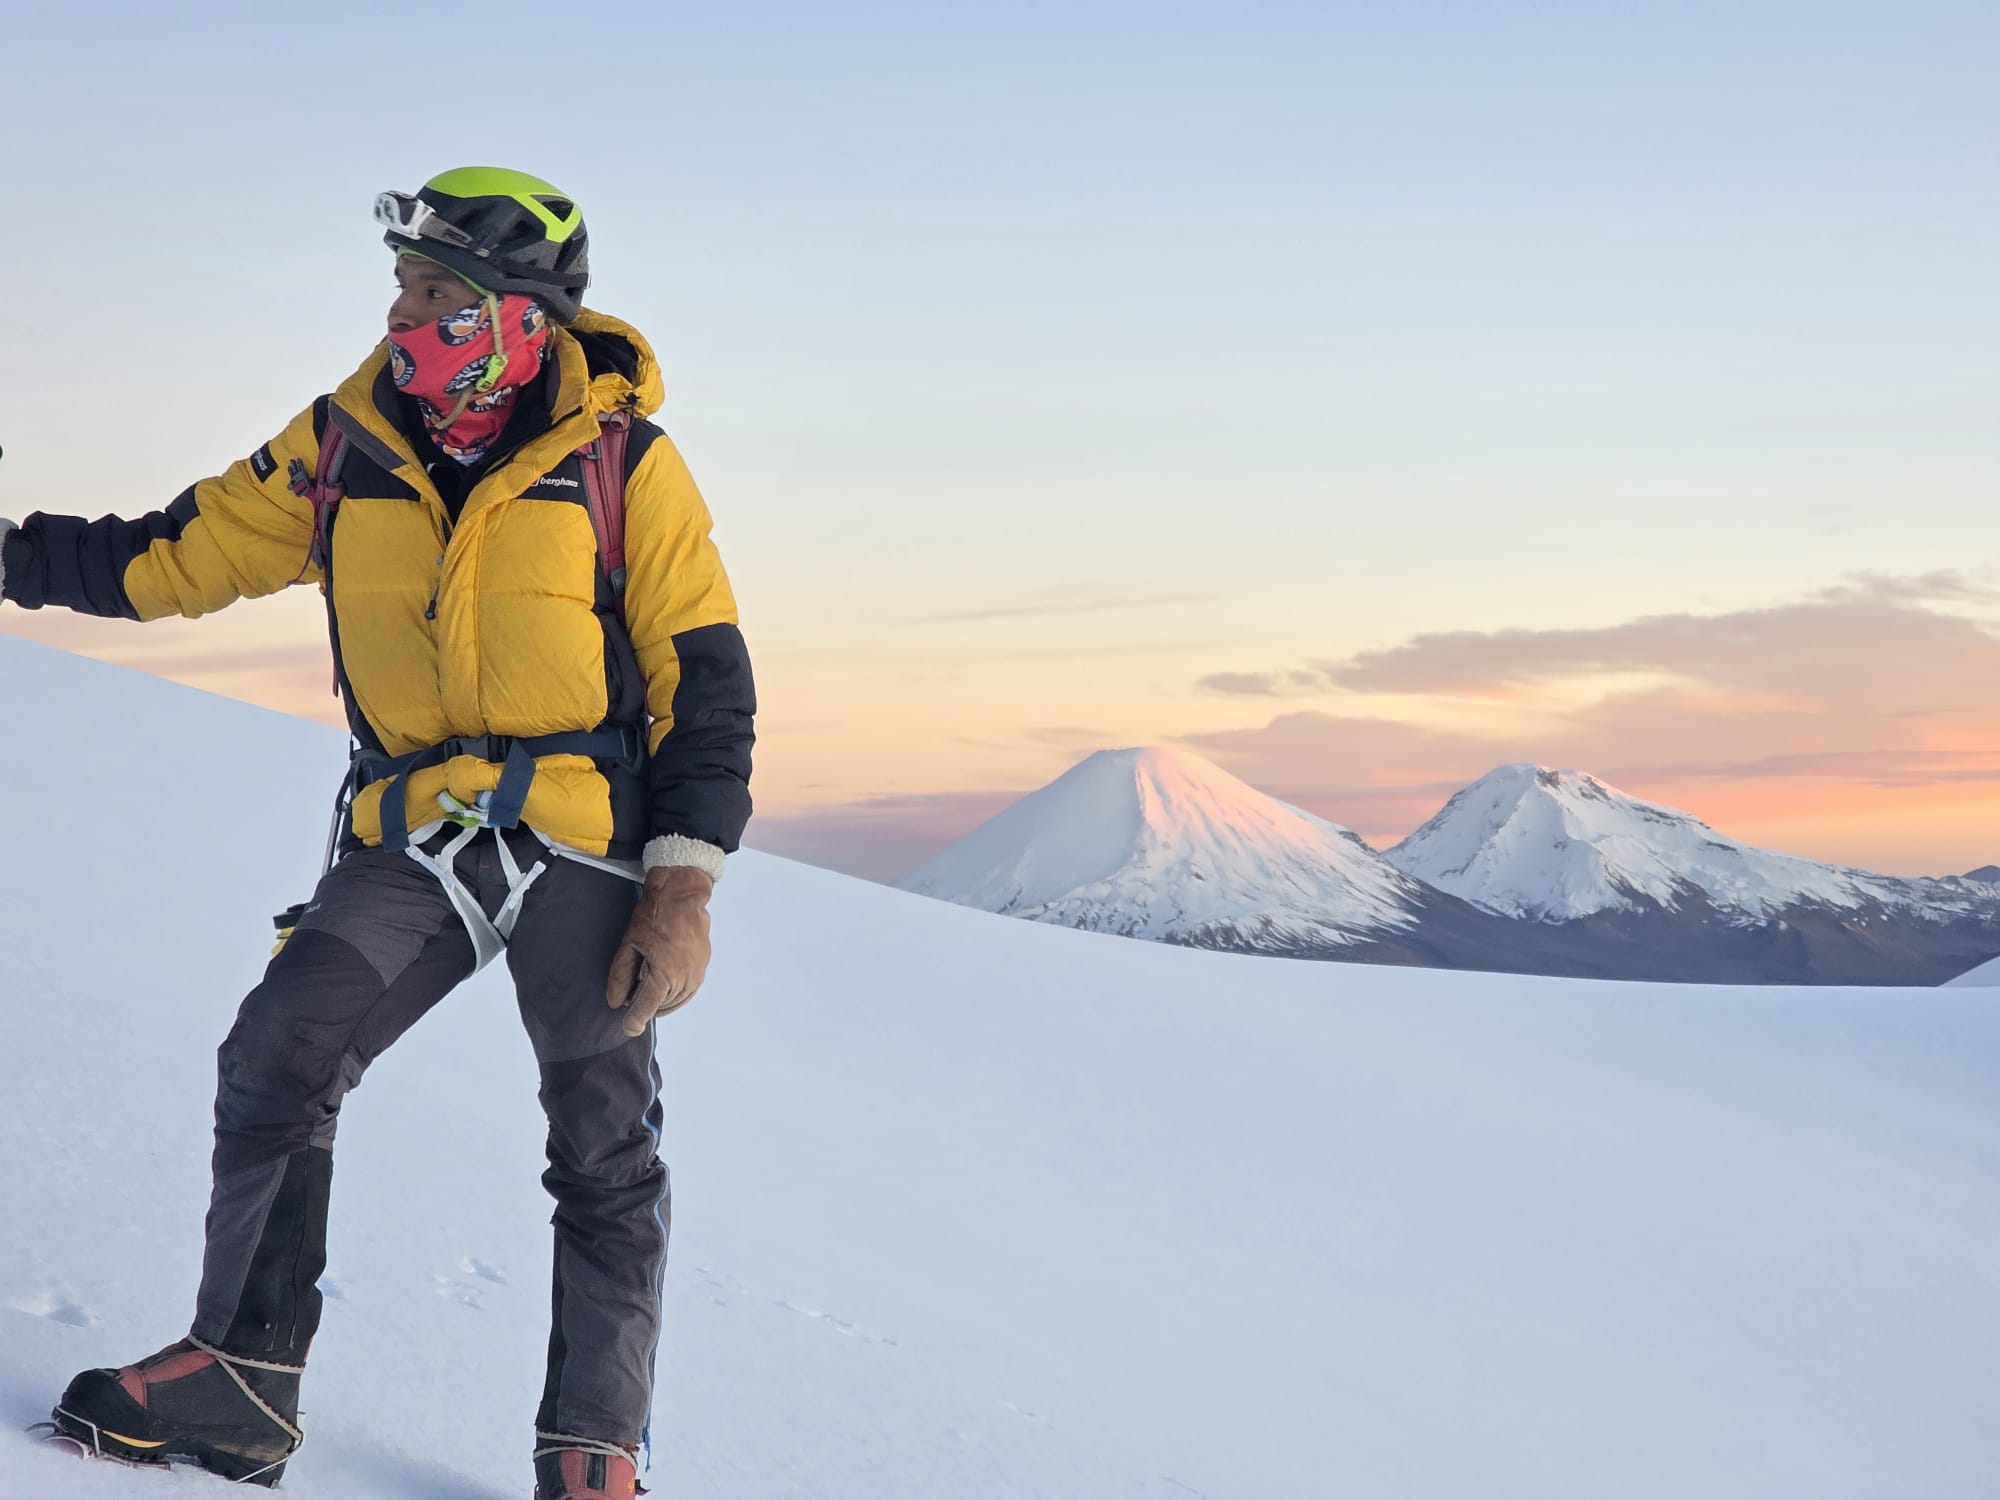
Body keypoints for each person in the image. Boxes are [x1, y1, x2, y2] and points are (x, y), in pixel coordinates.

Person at [0, 167, 754, 1499]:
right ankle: (239, 1381)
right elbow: (175, 554)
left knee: (604, 1146)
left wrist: (681, 890)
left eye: (430, 292)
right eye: (400, 286)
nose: (400, 313)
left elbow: (705, 677)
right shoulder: (345, 445)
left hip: (589, 840)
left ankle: (595, 1448)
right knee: (280, 1048)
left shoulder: (623, 461)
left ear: (514, 317)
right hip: (414, 837)